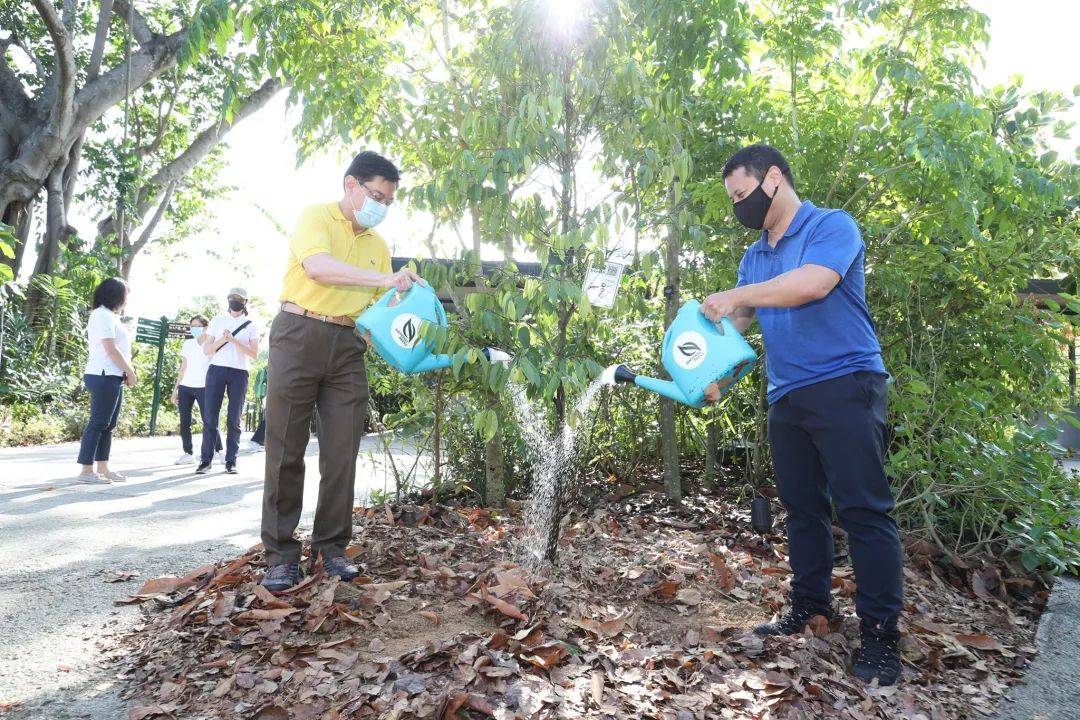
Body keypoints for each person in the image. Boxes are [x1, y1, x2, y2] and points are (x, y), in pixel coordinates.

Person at [701, 144, 903, 686]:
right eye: (733, 200)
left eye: (742, 194)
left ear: (773, 177)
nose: (738, 207)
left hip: (846, 383)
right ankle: (811, 605)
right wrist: (712, 378)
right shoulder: (754, 257)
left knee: (863, 510)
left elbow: (812, 285)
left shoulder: (830, 226)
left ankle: (881, 636)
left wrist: (735, 295)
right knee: (802, 509)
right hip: (787, 395)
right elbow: (737, 326)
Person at [260, 150, 421, 592]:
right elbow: (318, 268)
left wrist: (407, 295)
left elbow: (379, 305)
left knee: (342, 450)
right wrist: (386, 280)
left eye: (388, 202)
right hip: (299, 333)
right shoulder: (316, 217)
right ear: (351, 185)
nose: (381, 207)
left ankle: (331, 548)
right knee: (286, 448)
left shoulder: (378, 246)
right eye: (376, 197)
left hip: (348, 344)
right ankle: (280, 556)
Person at [76, 277, 136, 484]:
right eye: (126, 294)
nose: (127, 299)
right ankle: (86, 471)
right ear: (116, 295)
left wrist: (125, 372)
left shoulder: (111, 316)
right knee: (98, 422)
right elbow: (111, 349)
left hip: (113, 376)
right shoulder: (101, 315)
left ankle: (103, 468)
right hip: (102, 374)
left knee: (108, 425)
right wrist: (130, 371)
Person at [196, 288, 260, 475]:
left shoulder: (251, 324)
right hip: (216, 369)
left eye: (238, 298)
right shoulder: (218, 320)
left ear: (245, 302)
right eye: (231, 298)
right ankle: (205, 461)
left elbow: (254, 353)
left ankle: (231, 461)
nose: (234, 301)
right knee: (210, 417)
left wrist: (233, 341)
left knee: (234, 419)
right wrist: (223, 340)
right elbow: (207, 350)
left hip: (239, 372)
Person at [171, 315, 222, 464]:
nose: (194, 329)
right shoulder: (188, 344)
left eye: (198, 326)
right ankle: (188, 453)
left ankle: (218, 451)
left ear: (206, 327)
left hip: (204, 387)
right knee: (184, 422)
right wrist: (175, 389)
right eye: (192, 326)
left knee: (209, 421)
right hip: (185, 387)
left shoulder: (211, 344)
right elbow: (183, 368)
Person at [246, 365, 267, 453]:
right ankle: (256, 440)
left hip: (266, 396)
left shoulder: (268, 368)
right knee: (271, 418)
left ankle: (260, 442)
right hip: (272, 395)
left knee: (272, 418)